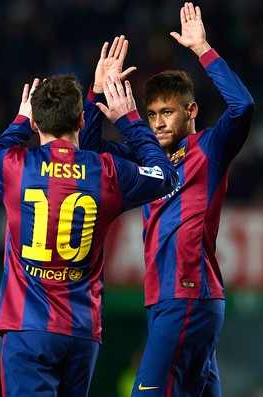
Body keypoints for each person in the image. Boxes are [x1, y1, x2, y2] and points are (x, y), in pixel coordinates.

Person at [0, 37, 178, 397]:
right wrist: (128, 117)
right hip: (82, 331)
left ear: (36, 122)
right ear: (82, 119)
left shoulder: (14, 168)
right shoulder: (107, 172)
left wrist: (20, 121)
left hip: (27, 327)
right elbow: (165, 176)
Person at [79, 2, 255, 396]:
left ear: (191, 111)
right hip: (163, 298)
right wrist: (95, 92)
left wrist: (203, 49)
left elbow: (243, 106)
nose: (157, 122)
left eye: (167, 112)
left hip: (189, 292)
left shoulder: (209, 147)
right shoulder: (147, 157)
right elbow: (90, 154)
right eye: (152, 113)